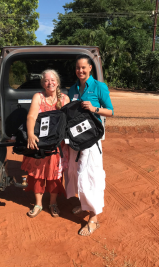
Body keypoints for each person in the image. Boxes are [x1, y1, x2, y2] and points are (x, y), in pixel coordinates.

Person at [65, 54, 114, 236]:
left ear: (90, 68)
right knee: (77, 172)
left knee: (91, 174)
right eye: (78, 68)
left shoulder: (99, 87)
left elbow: (111, 111)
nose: (80, 71)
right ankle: (84, 204)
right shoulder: (73, 89)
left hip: (92, 139)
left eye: (83, 68)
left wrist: (94, 109)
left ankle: (93, 217)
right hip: (76, 138)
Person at [21, 69, 70, 218]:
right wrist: (30, 134)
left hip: (57, 145)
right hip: (41, 143)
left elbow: (68, 121)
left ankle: (53, 203)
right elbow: (31, 116)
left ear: (58, 82)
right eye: (47, 80)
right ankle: (38, 204)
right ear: (43, 83)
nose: (50, 83)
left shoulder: (65, 99)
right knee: (38, 174)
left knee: (55, 175)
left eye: (53, 80)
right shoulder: (38, 97)